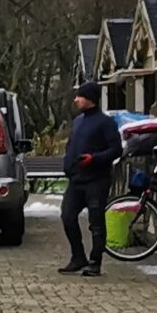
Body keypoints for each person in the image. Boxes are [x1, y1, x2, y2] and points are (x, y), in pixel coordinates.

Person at [58, 86, 123, 276]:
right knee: (68, 216)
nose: (76, 99)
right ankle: (78, 257)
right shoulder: (78, 121)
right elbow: (71, 146)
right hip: (76, 179)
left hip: (97, 179)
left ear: (90, 99)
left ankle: (95, 261)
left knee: (96, 221)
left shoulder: (106, 122)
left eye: (80, 96)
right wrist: (68, 166)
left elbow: (116, 150)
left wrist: (94, 159)